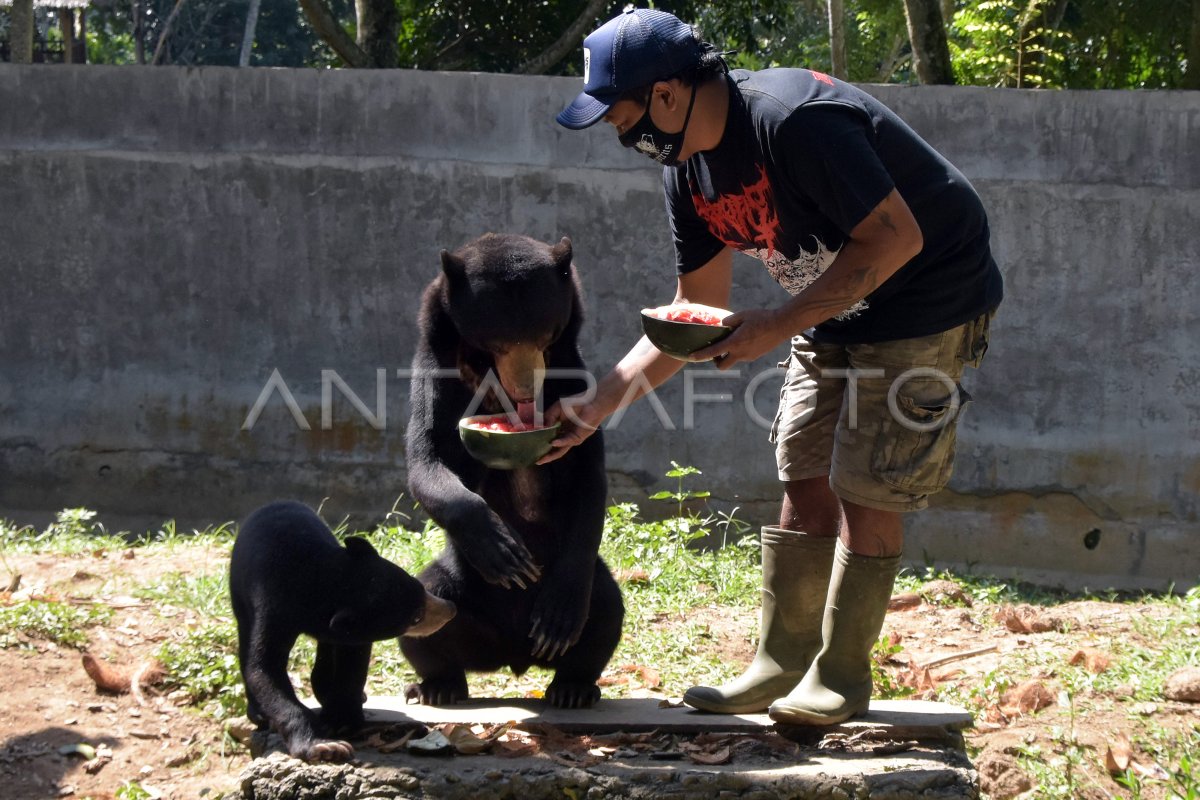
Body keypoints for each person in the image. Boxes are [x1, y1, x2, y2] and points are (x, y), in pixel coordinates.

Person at [546, 8, 1002, 726]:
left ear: (667, 94)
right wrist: (594, 407)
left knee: (869, 483)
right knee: (801, 465)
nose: (613, 129)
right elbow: (695, 305)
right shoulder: (687, 172)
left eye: (617, 111)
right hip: (835, 303)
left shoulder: (792, 121)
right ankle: (782, 661)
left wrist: (778, 324)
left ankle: (843, 675)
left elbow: (896, 236)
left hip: (928, 295)